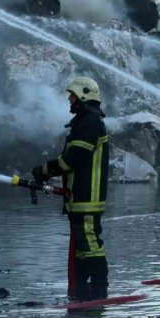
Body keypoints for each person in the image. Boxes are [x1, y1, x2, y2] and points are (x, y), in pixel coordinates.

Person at [32, 76, 110, 301]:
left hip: (87, 196)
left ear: (84, 96)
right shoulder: (85, 122)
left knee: (91, 244)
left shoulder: (90, 123)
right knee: (83, 247)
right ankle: (82, 294)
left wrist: (45, 170)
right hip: (80, 196)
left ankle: (99, 292)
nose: (70, 100)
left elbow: (73, 159)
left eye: (73, 96)